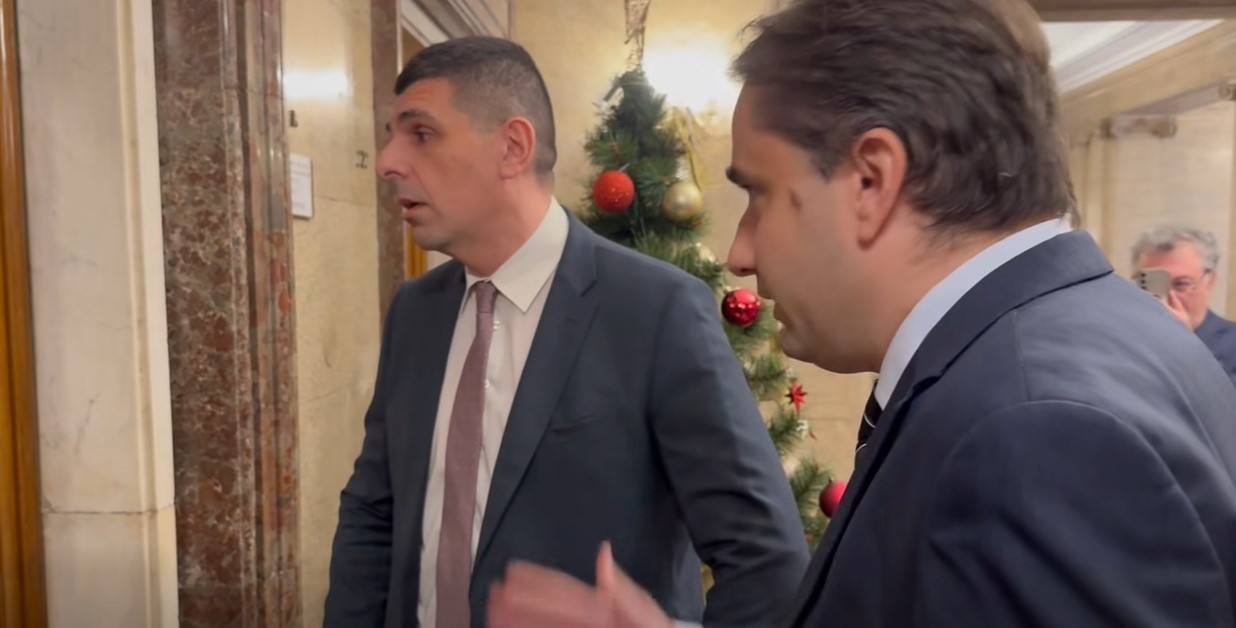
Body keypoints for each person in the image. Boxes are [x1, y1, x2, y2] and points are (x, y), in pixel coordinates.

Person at [485, 0, 1236, 626]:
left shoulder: (1034, 430)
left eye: (760, 194)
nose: (740, 252)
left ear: (871, 180)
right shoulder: (1091, 335)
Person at [323, 36, 809, 628]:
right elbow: (375, 510)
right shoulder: (414, 312)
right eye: (390, 135)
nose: (387, 161)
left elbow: (765, 561)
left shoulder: (657, 310)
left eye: (420, 134)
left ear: (513, 147)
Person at [1132, 225, 1236, 385]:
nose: (1166, 297)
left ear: (1210, 282)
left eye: (1181, 284)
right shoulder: (1126, 342)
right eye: (1152, 284)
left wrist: (1185, 344)